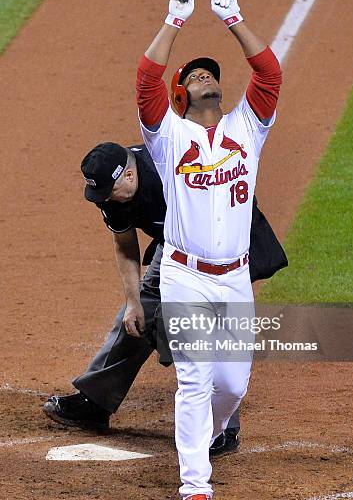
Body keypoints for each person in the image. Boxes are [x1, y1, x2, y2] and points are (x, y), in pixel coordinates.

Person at [136, 0, 282, 500]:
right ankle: (195, 484)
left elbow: (269, 74)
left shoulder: (248, 129)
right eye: (194, 76)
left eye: (210, 73)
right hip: (185, 276)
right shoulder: (167, 136)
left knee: (231, 385)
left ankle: (207, 435)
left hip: (234, 280)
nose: (205, 77)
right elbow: (147, 77)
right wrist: (174, 19)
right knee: (195, 377)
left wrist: (232, 18)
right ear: (181, 95)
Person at [43, 142, 287, 458]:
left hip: (226, 241)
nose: (105, 199)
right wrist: (133, 303)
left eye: (110, 191)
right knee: (139, 312)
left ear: (129, 175)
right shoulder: (112, 191)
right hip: (175, 243)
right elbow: (125, 245)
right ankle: (95, 401)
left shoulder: (173, 174)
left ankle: (221, 428)